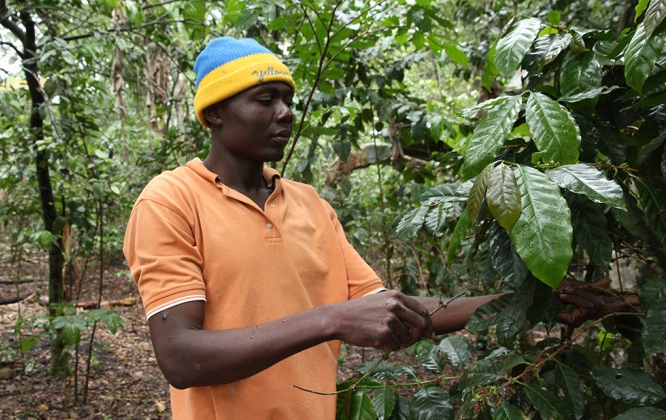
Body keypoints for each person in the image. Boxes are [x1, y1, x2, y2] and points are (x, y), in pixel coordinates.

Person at [123, 37, 637, 419]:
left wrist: (532, 302)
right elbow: (181, 357)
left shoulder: (308, 204)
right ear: (214, 113)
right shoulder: (171, 201)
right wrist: (331, 319)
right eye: (264, 100)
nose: (284, 113)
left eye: (288, 99)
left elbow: (393, 311)